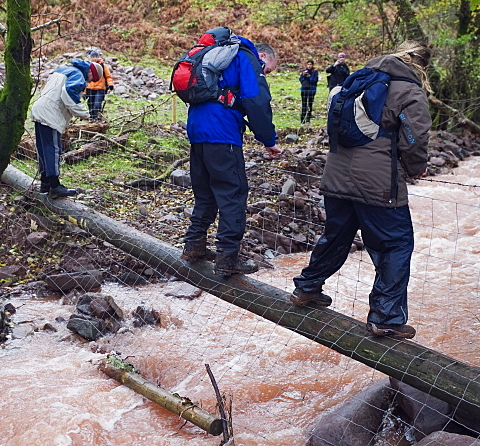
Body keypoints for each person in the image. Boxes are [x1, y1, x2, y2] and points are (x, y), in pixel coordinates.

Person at [290, 44, 432, 339]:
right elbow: (413, 139)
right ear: (421, 67)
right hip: (377, 182)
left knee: (337, 235)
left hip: (337, 176)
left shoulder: (358, 80)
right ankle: (386, 317)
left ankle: (307, 288)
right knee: (396, 244)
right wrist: (416, 166)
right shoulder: (409, 91)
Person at [182, 34, 282, 278]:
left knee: (205, 193)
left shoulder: (215, 59)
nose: (264, 73)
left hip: (197, 131)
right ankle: (228, 259)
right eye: (267, 70)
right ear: (263, 56)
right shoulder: (246, 58)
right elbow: (257, 102)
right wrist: (268, 140)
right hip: (222, 133)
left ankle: (194, 246)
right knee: (232, 196)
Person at [31, 59, 98, 198]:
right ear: (91, 72)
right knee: (53, 150)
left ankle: (45, 183)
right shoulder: (79, 74)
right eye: (93, 78)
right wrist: (84, 113)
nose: (90, 82)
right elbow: (68, 93)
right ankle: (55, 185)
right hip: (51, 114)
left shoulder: (64, 70)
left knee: (43, 149)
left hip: (40, 110)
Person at [84, 48, 114, 121]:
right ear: (90, 57)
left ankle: (97, 117)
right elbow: (84, 79)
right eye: (93, 57)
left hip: (100, 88)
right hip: (89, 88)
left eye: (96, 56)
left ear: (98, 57)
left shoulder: (103, 66)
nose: (94, 58)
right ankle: (92, 119)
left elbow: (108, 76)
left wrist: (110, 84)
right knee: (90, 105)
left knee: (97, 104)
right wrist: (84, 92)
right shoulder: (87, 66)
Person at [299, 59, 319, 123]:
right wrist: (304, 76)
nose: (309, 66)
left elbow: (315, 80)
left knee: (310, 105)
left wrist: (310, 77)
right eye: (308, 64)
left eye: (310, 64)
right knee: (304, 105)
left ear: (312, 65)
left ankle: (308, 119)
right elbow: (300, 79)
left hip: (311, 90)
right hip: (304, 89)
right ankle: (302, 119)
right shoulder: (304, 71)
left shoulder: (315, 71)